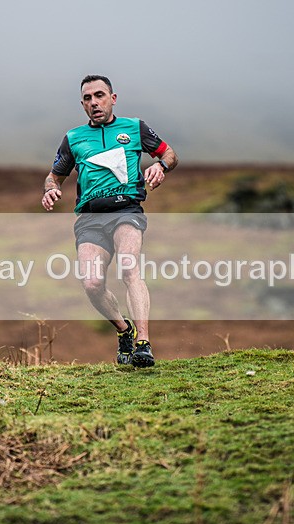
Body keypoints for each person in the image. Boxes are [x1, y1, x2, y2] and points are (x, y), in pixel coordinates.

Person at [41, 75, 178, 367]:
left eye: (99, 96)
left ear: (113, 98)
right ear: (82, 104)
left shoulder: (134, 128)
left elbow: (169, 153)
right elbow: (55, 176)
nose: (94, 103)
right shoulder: (74, 138)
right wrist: (51, 189)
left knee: (129, 268)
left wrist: (160, 166)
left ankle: (143, 343)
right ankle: (124, 330)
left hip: (126, 211)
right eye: (88, 99)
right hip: (90, 219)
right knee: (92, 284)